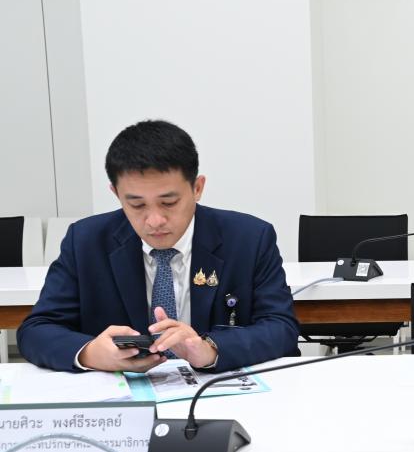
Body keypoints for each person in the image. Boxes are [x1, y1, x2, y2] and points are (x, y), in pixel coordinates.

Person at [18, 120, 301, 372]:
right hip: (123, 397)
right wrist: (91, 353)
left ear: (197, 188)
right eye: (137, 205)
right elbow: (36, 330)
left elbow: (281, 327)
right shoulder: (86, 241)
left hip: (217, 390)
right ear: (116, 193)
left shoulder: (249, 238)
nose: (154, 220)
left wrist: (210, 349)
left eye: (169, 202)